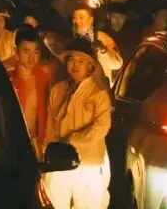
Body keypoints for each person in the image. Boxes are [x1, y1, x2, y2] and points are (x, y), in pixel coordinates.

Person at [42, 38, 112, 209]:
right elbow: (50, 126)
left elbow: (101, 127)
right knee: (54, 204)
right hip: (59, 161)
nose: (75, 65)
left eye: (81, 61)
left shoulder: (98, 93)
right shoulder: (57, 90)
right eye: (72, 60)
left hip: (88, 162)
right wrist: (47, 154)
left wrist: (72, 140)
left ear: (90, 66)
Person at [6, 27, 51, 153]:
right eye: (26, 52)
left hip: (37, 142)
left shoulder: (45, 79)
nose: (31, 58)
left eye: (36, 52)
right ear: (16, 51)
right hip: (12, 141)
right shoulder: (7, 79)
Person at [70, 0, 123, 85]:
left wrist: (103, 50)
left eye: (81, 17)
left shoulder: (101, 37)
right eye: (75, 18)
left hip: (98, 86)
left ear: (91, 20)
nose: (77, 21)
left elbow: (117, 64)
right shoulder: (70, 40)